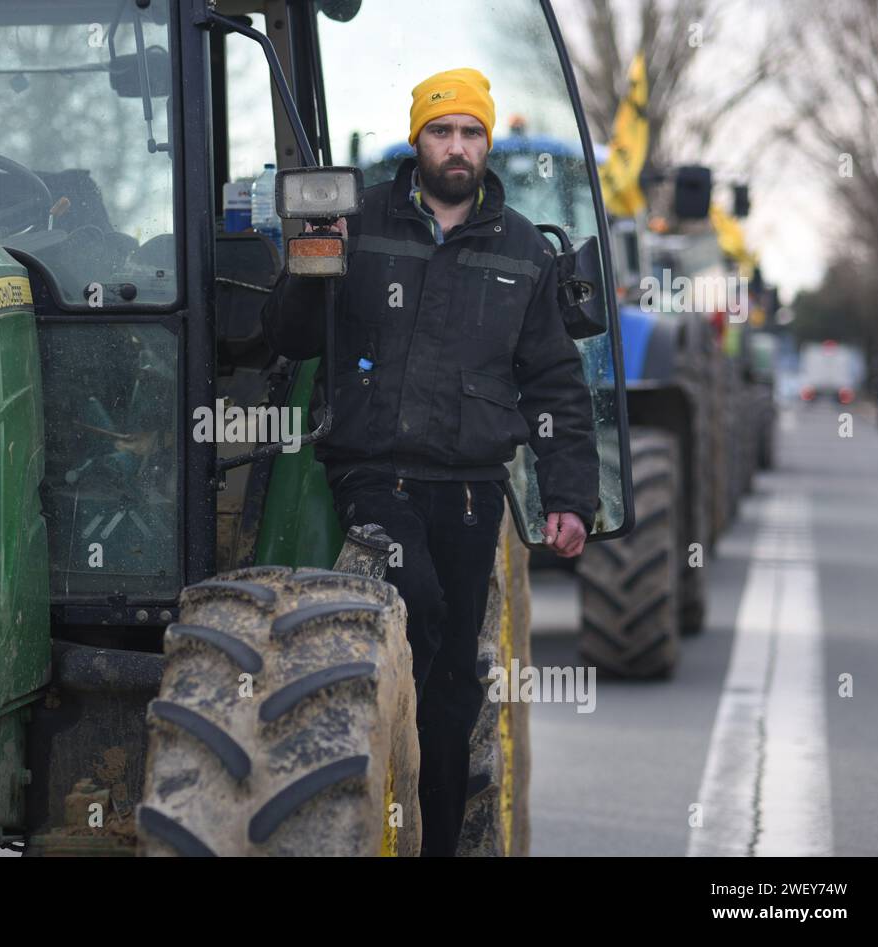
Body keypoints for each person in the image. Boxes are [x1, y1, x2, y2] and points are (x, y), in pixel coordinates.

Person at [260, 67, 599, 856]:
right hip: (373, 473)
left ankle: (436, 840)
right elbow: (289, 336)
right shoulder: (361, 219)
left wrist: (570, 497)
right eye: (442, 131)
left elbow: (554, 383)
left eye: (471, 133)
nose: (456, 147)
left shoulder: (521, 252)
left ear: (486, 145)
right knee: (416, 598)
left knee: (452, 691)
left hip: (473, 492)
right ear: (419, 139)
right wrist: (316, 264)